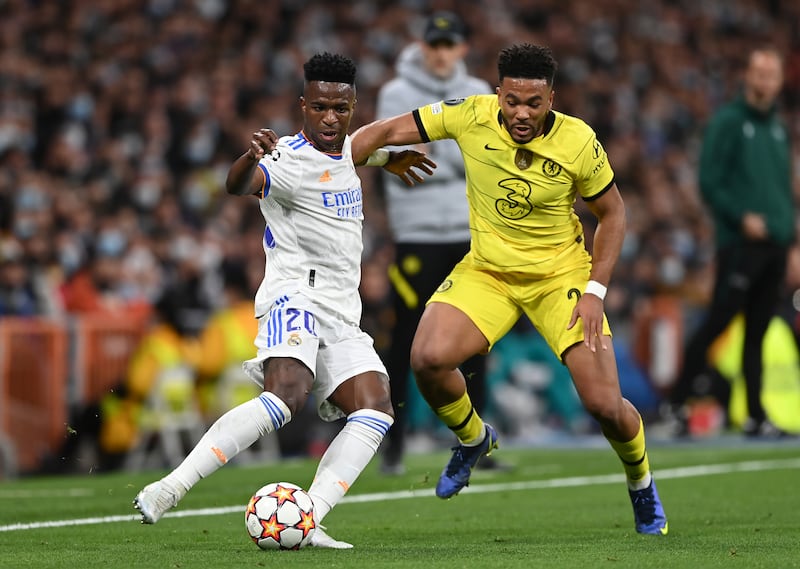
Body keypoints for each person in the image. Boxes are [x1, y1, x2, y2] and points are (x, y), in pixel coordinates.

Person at [352, 43, 668, 535]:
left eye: (534, 103)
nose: (521, 113)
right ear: (498, 93)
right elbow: (386, 130)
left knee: (605, 405)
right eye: (512, 100)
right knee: (427, 360)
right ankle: (474, 438)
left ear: (551, 99)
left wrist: (595, 291)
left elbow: (614, 214)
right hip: (489, 273)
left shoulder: (578, 141)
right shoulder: (468, 114)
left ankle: (641, 483)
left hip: (559, 279)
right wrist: (363, 160)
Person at [133, 52, 434, 549]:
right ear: (303, 106)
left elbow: (354, 154)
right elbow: (237, 186)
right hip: (293, 295)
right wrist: (251, 157)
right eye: (319, 107)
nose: (330, 117)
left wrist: (387, 157)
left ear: (353, 105)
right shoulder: (286, 159)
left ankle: (307, 518)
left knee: (376, 406)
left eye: (340, 107)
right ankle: (169, 488)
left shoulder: (349, 151)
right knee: (287, 395)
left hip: (342, 309)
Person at [374, 11, 496, 475]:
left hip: (471, 235)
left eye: (450, 45)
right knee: (405, 341)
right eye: (435, 45)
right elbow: (391, 162)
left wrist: (437, 157)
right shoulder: (395, 94)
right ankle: (393, 445)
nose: (441, 53)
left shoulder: (483, 91)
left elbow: (489, 164)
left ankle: (476, 444)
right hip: (416, 236)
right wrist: (459, 158)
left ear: (462, 48)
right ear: (422, 47)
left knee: (476, 341)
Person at [665, 47, 795, 438]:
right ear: (747, 76)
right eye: (758, 72)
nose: (764, 80)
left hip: (775, 245)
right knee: (718, 323)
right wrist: (741, 217)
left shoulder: (777, 127)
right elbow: (709, 181)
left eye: (771, 74)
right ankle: (676, 405)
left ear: (779, 79)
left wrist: (788, 235)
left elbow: (780, 188)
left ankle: (756, 414)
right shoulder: (729, 121)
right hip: (740, 244)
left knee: (758, 329)